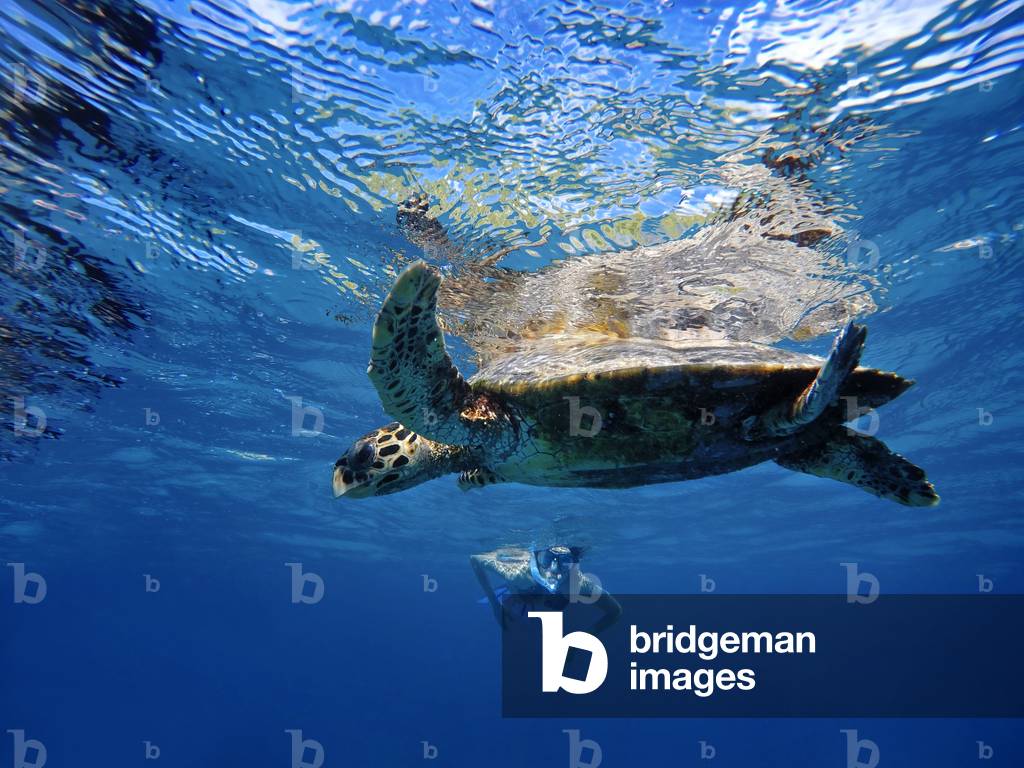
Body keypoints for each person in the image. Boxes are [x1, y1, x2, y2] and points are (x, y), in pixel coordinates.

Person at [470, 546, 621, 634]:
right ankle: (509, 596)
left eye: (565, 561)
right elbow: (475, 559)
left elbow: (615, 611)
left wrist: (582, 640)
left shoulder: (575, 584)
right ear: (538, 557)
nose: (554, 570)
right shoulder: (519, 574)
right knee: (522, 586)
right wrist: (495, 605)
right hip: (522, 595)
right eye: (547, 560)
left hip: (550, 603)